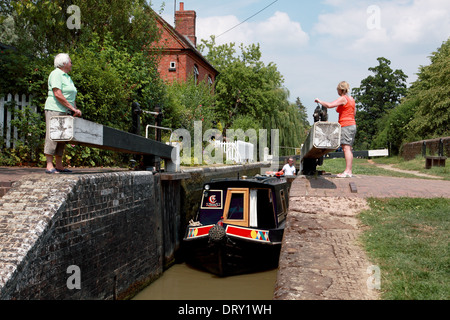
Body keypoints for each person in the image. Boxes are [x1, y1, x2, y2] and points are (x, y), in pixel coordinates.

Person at [44, 53, 82, 174]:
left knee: (62, 137)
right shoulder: (56, 74)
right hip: (54, 108)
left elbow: (71, 96)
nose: (71, 64)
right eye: (70, 61)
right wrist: (71, 107)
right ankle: (49, 165)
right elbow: (58, 94)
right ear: (64, 63)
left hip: (65, 110)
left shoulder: (67, 77)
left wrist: (74, 109)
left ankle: (59, 165)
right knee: (52, 135)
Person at [315, 81, 356, 178]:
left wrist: (319, 101)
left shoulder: (343, 98)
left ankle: (347, 171)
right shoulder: (352, 99)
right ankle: (349, 171)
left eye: (337, 90)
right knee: (348, 148)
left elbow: (329, 105)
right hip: (352, 124)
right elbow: (353, 113)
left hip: (346, 125)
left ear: (340, 90)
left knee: (346, 148)